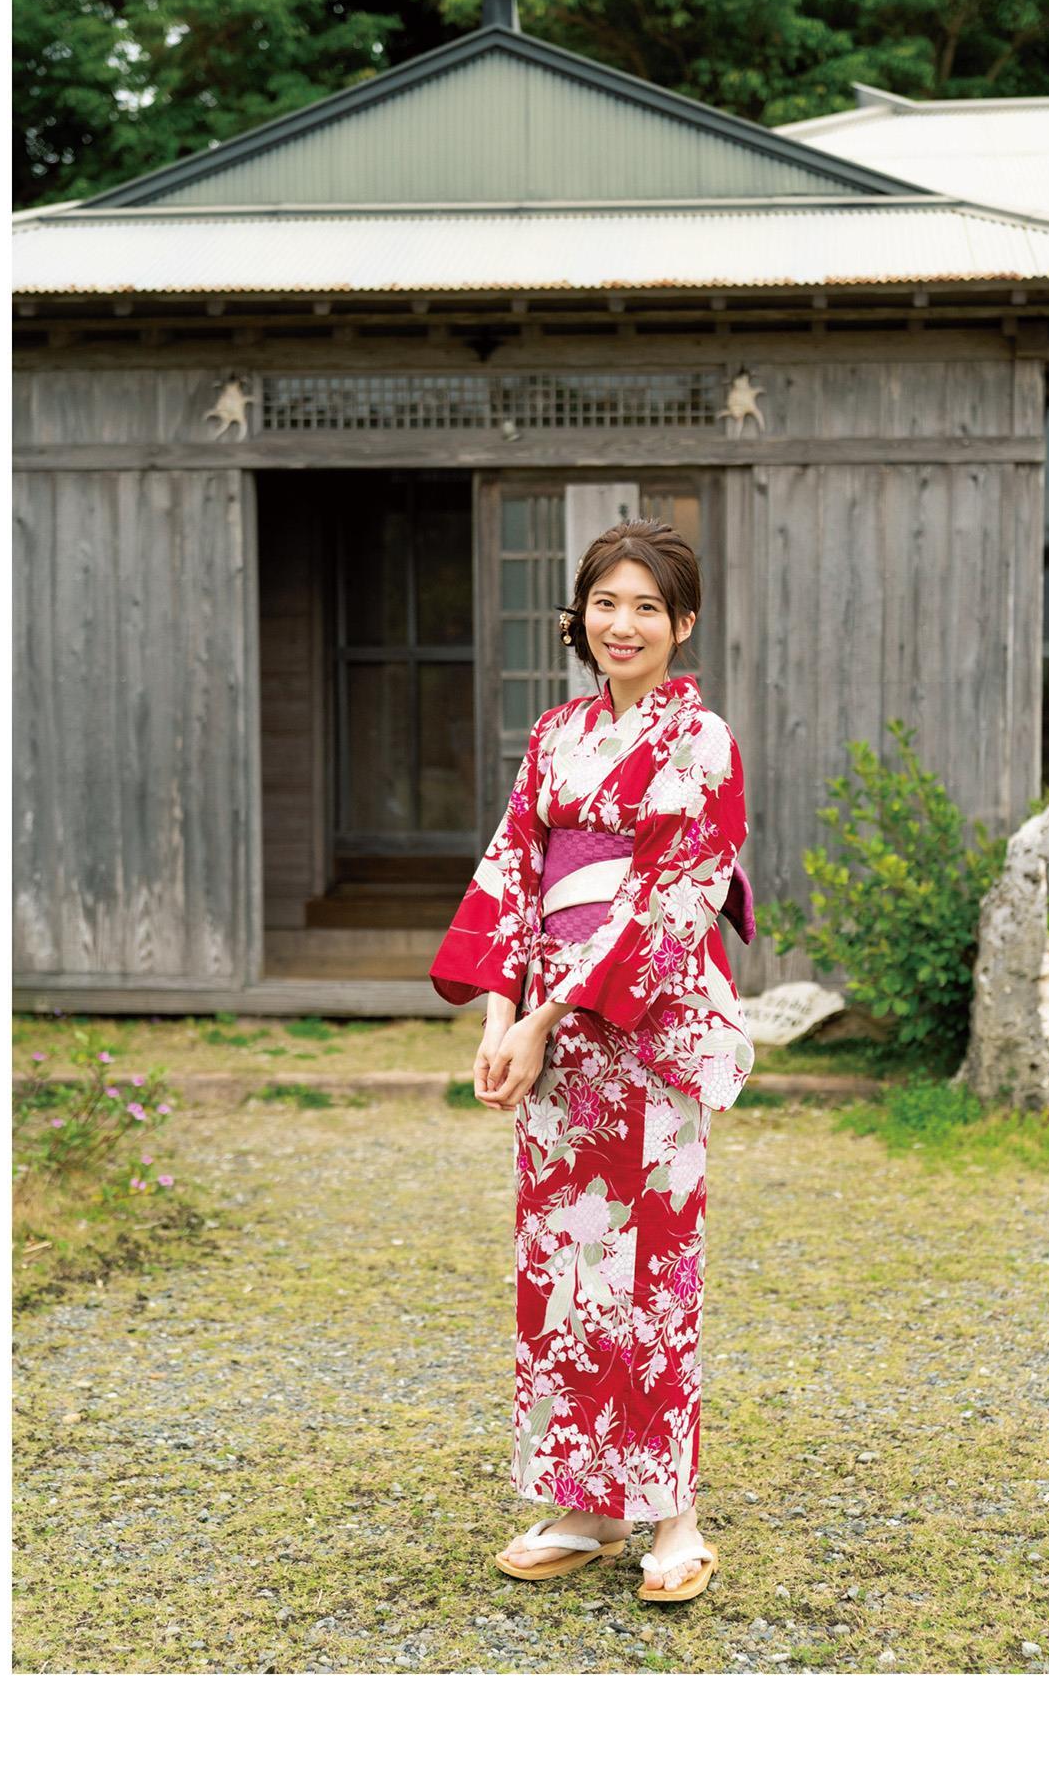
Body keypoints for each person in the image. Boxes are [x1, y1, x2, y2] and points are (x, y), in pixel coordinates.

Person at [429, 519, 756, 1603]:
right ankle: (581, 1501)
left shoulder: (699, 741)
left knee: (652, 1274)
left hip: (644, 1034)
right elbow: (512, 871)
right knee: (564, 1272)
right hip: (554, 1048)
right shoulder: (554, 736)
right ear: (581, 616)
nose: (624, 625)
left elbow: (673, 894)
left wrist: (548, 1016)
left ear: (684, 624)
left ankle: (673, 1513)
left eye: (648, 608)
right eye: (605, 604)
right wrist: (496, 1017)